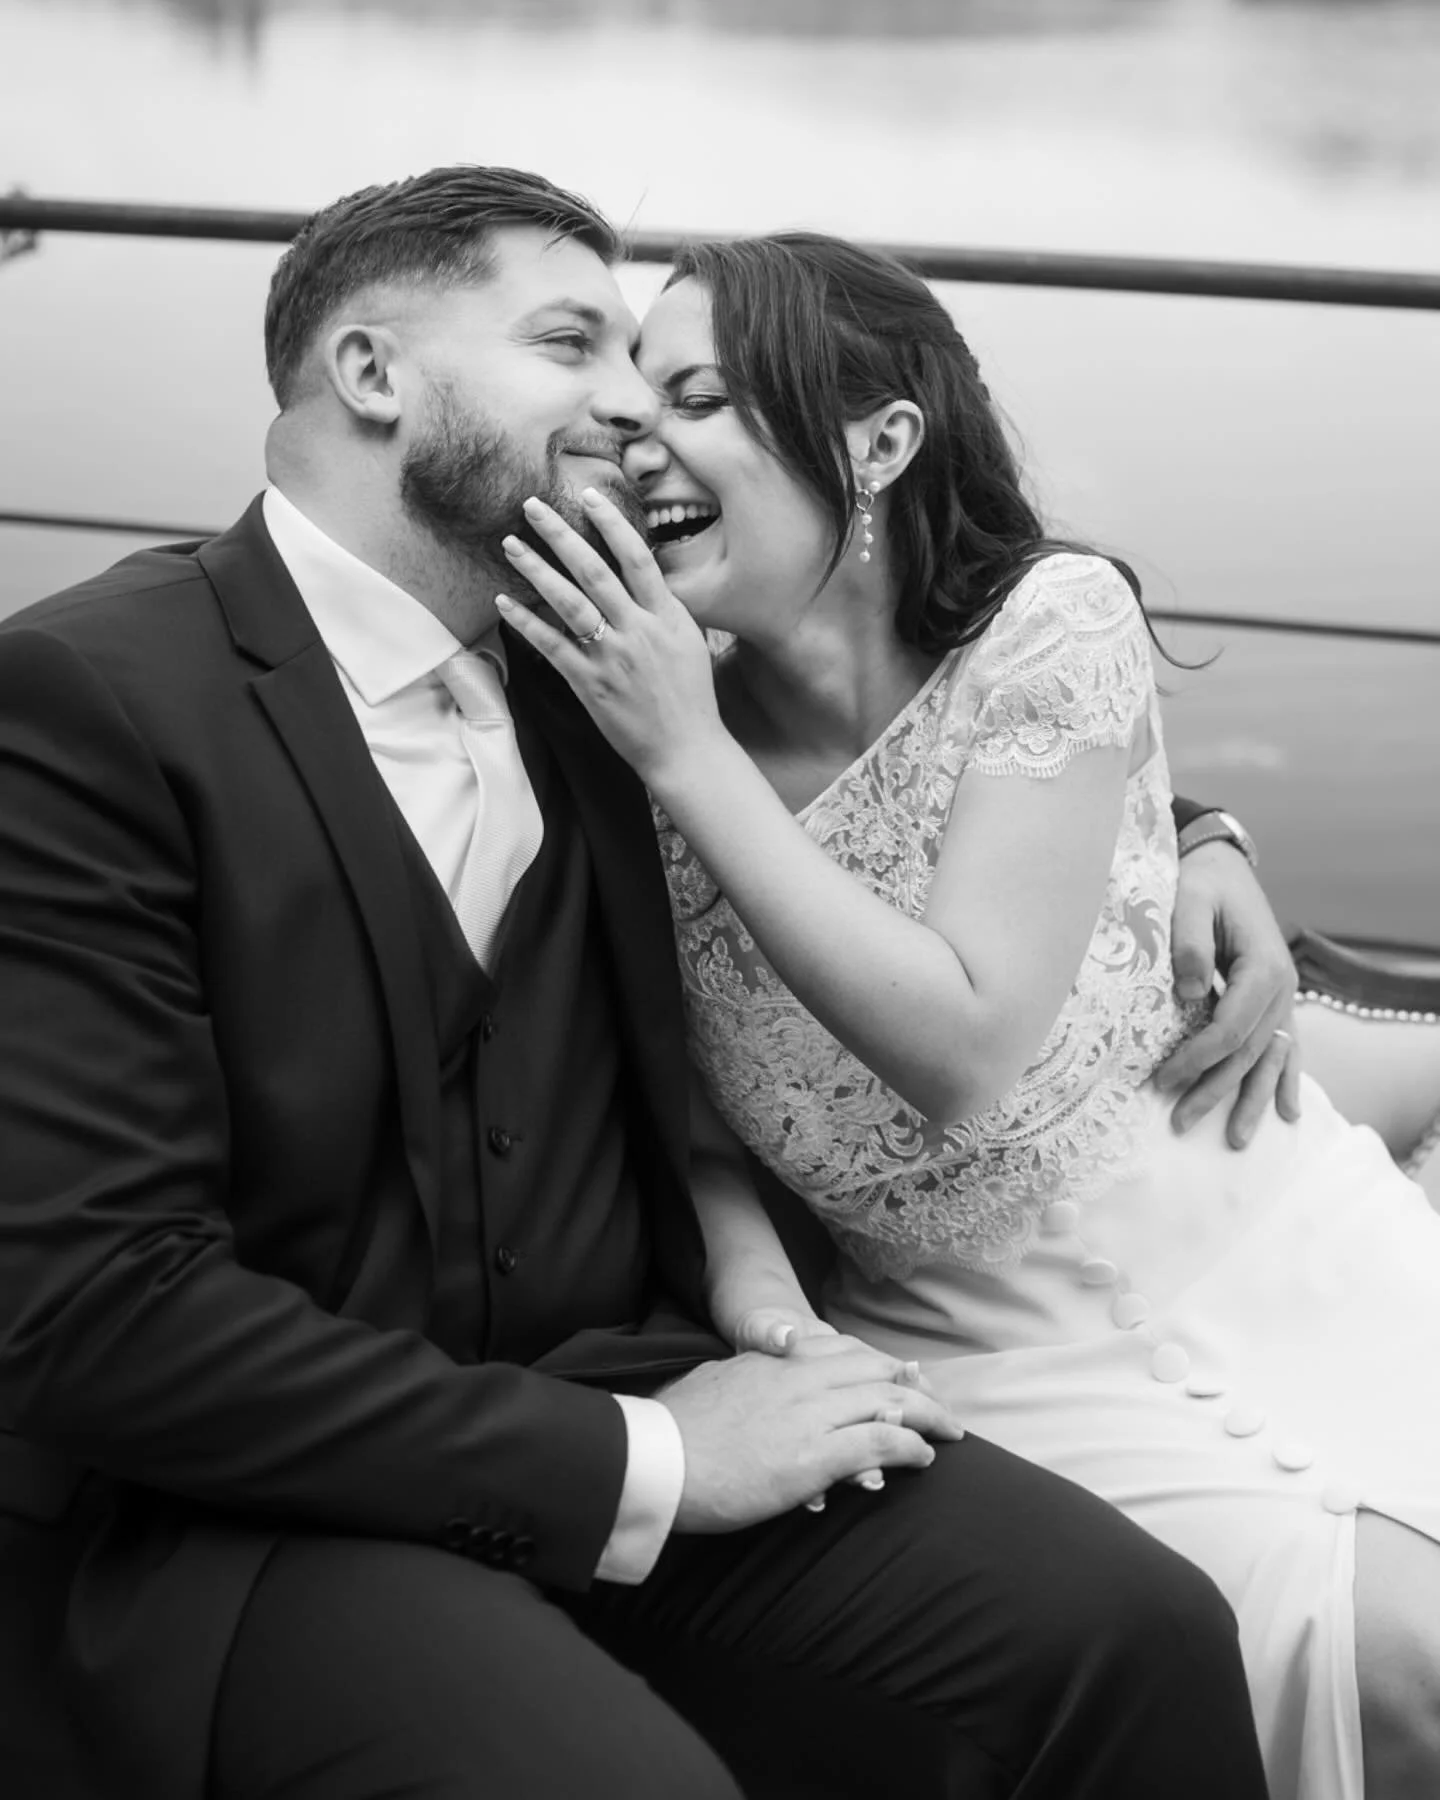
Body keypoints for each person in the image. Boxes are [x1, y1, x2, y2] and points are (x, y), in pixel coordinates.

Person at [0, 169, 1280, 1800]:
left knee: (1138, 1630)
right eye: (572, 343)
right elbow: (96, 1316)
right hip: (263, 1509)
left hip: (638, 1363)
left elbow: (911, 730)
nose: (631, 408)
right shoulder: (87, 701)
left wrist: (1197, 836)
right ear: (375, 376)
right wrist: (656, 1454)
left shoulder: (603, 655)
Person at [495, 228, 1440, 1800]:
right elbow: (682, 1103)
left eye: (702, 393)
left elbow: (970, 1045)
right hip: (969, 1348)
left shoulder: (1045, 626)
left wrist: (1197, 838)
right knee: (1391, 1663)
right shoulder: (626, 724)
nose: (639, 436)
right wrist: (749, 1287)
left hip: (1238, 1217)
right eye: (629, 401)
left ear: (877, 438)